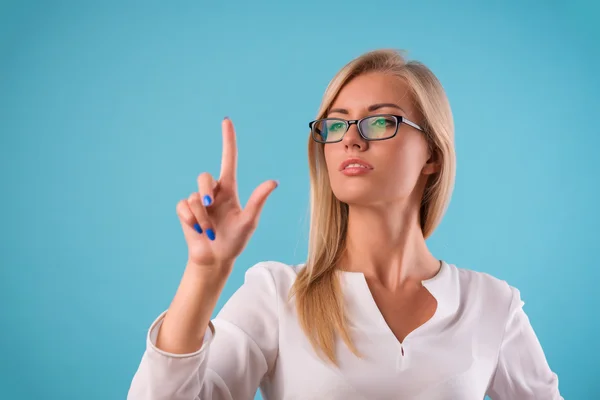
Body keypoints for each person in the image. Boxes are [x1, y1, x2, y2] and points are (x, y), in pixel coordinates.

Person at [127, 49, 562, 400]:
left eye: (379, 121)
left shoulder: (492, 306)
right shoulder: (277, 296)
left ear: (431, 154)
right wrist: (205, 273)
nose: (351, 138)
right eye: (335, 124)